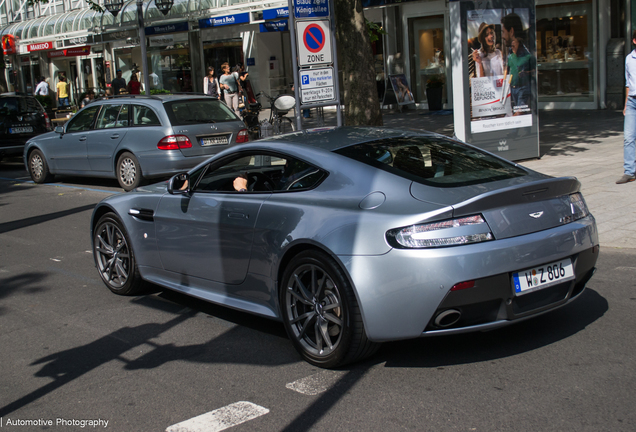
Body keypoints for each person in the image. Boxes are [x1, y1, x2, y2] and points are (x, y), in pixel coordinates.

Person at [618, 30, 636, 184]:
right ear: (635, 41)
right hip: (632, 102)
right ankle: (629, 171)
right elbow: (627, 83)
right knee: (629, 137)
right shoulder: (629, 59)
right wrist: (625, 104)